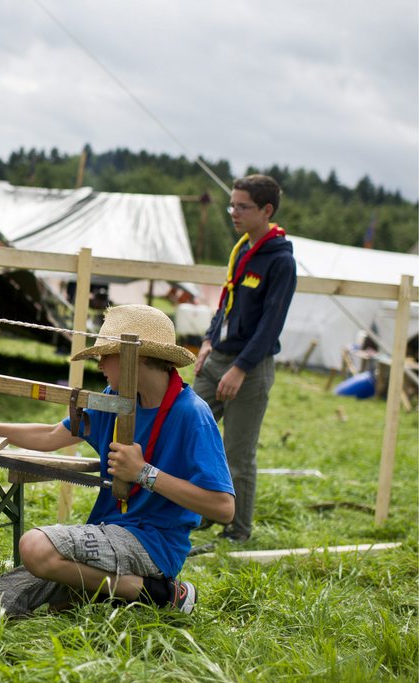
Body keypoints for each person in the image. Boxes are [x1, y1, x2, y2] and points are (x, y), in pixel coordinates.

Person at [0, 305, 235, 616]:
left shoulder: (191, 414)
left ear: (138, 357)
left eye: (108, 354)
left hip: (153, 545)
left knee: (36, 547)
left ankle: (159, 594)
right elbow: (51, 436)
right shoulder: (116, 400)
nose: (99, 363)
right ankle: (102, 593)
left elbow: (224, 508)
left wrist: (143, 473)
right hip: (109, 530)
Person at [193, 174, 296, 543]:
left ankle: (238, 530)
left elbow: (271, 324)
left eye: (243, 206)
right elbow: (226, 301)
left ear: (266, 210)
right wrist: (207, 341)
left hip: (249, 368)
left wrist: (240, 368)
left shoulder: (280, 260)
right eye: (232, 204)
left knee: (237, 452)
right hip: (217, 357)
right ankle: (201, 510)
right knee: (192, 432)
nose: (234, 211)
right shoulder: (241, 249)